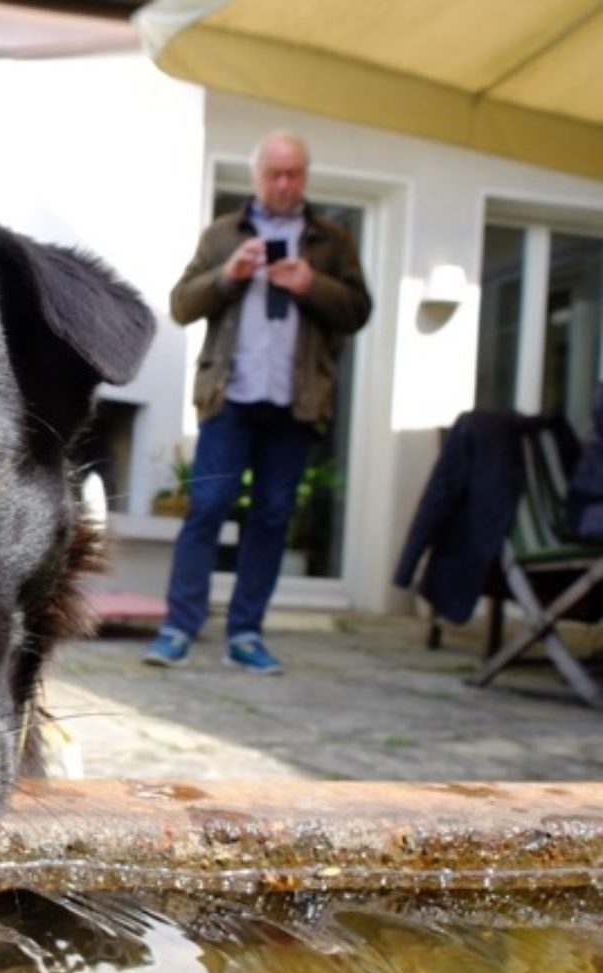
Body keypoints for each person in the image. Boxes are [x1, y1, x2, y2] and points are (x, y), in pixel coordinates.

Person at [143, 131, 372, 674]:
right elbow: (180, 305)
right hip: (231, 396)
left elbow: (358, 311)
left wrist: (311, 284)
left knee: (272, 517)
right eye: (275, 174)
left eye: (295, 173)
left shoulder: (332, 239)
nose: (285, 184)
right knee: (207, 508)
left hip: (297, 402)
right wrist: (228, 276)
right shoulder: (224, 234)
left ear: (305, 176)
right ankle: (179, 627)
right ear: (256, 176)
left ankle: (245, 634)